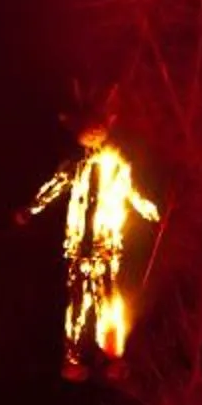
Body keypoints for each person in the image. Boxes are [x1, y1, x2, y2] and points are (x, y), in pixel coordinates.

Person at [25, 127, 161, 380]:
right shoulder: (75, 167)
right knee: (77, 304)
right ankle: (73, 357)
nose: (93, 140)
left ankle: (110, 355)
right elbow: (54, 187)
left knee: (107, 302)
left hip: (105, 249)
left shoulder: (118, 167)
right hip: (78, 249)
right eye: (88, 135)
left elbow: (134, 194)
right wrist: (31, 210)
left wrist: (153, 213)